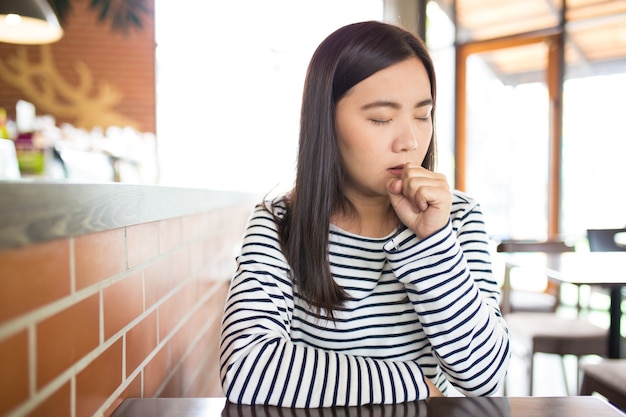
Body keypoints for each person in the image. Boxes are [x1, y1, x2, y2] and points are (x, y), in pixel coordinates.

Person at [219, 20, 510, 408]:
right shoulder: (280, 222)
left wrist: (434, 242)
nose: (409, 142)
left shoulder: (457, 217)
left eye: (422, 116)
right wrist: (414, 383)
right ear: (326, 121)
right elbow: (247, 367)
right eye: (380, 118)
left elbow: (485, 377)